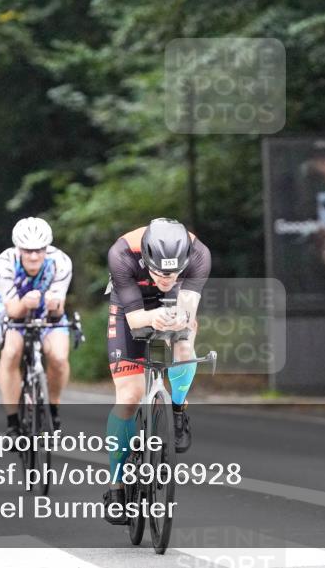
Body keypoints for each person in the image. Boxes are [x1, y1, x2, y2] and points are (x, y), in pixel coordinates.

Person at [101, 218, 211, 524]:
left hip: (175, 302)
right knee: (129, 396)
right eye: (161, 272)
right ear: (147, 259)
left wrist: (180, 319)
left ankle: (178, 410)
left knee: (185, 347)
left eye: (175, 272)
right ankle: (117, 486)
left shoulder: (199, 253)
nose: (168, 277)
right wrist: (154, 316)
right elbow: (136, 320)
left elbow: (188, 308)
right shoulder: (122, 253)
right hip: (130, 307)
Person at [0, 217, 73, 434]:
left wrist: (54, 305)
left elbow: (58, 312)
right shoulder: (4, 263)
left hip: (46, 309)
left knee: (58, 357)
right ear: (18, 249)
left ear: (47, 248)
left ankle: (53, 410)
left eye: (39, 250)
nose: (34, 256)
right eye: (28, 251)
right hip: (13, 306)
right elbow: (12, 311)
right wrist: (24, 304)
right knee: (11, 352)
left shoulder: (61, 262)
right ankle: (12, 423)